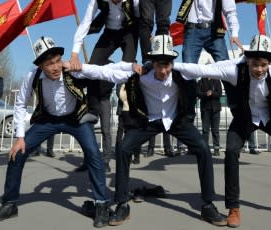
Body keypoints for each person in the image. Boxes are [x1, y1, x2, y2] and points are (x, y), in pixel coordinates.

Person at [68, 34, 227, 227]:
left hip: (176, 121)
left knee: (203, 148)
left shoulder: (183, 71)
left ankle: (208, 205)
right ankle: (121, 204)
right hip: (149, 121)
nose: (163, 70)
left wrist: (248, 61)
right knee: (124, 149)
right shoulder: (139, 73)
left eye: (167, 65)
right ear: (152, 62)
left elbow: (216, 69)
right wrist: (77, 67)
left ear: (172, 62)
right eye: (159, 65)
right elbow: (105, 72)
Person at [173, 35, 271, 226]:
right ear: (248, 60)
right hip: (244, 118)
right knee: (231, 152)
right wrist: (169, 65)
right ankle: (233, 208)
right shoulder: (234, 70)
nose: (259, 69)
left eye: (263, 64)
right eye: (255, 64)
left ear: (269, 63)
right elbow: (202, 69)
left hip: (269, 117)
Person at [0, 37, 112, 227]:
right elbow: (20, 104)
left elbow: (100, 74)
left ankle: (101, 204)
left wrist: (88, 69)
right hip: (48, 119)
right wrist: (20, 138)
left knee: (94, 154)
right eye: (49, 63)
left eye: (57, 61)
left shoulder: (71, 70)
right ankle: (9, 204)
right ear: (40, 65)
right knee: (17, 154)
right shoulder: (32, 76)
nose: (55, 67)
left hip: (75, 118)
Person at [70, 0, 142, 170]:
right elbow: (85, 23)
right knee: (92, 65)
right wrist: (75, 53)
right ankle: (91, 109)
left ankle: (131, 113)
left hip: (128, 34)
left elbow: (143, 22)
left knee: (127, 72)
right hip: (109, 34)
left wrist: (149, 42)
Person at [176, 0, 242, 121]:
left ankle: (237, 110)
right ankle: (187, 115)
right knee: (188, 72)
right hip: (193, 31)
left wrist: (234, 34)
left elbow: (230, 11)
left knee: (228, 70)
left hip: (215, 33)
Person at [115, 81, 140, 165]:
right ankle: (120, 153)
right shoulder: (122, 81)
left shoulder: (135, 80)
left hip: (133, 111)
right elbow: (120, 95)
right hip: (124, 110)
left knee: (134, 133)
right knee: (121, 132)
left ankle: (136, 156)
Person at [197, 76, 223, 156]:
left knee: (215, 130)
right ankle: (205, 149)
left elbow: (219, 93)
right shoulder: (201, 81)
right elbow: (198, 93)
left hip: (215, 109)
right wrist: (205, 94)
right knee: (205, 130)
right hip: (205, 109)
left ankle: (216, 148)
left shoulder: (217, 80)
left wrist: (212, 93)